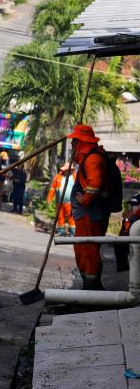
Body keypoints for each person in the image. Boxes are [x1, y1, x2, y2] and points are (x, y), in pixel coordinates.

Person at [69, 124, 111, 290]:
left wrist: (85, 199)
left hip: (90, 213)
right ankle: (90, 285)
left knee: (88, 250)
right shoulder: (90, 158)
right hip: (87, 213)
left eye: (74, 142)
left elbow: (95, 183)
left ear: (80, 143)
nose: (72, 146)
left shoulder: (92, 159)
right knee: (84, 248)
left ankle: (91, 287)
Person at [47, 162, 76, 237]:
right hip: (59, 202)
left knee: (71, 217)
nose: (67, 171)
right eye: (66, 169)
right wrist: (49, 198)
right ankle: (61, 231)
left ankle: (73, 232)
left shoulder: (74, 177)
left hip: (70, 202)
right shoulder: (58, 177)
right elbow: (52, 189)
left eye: (69, 169)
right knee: (60, 217)